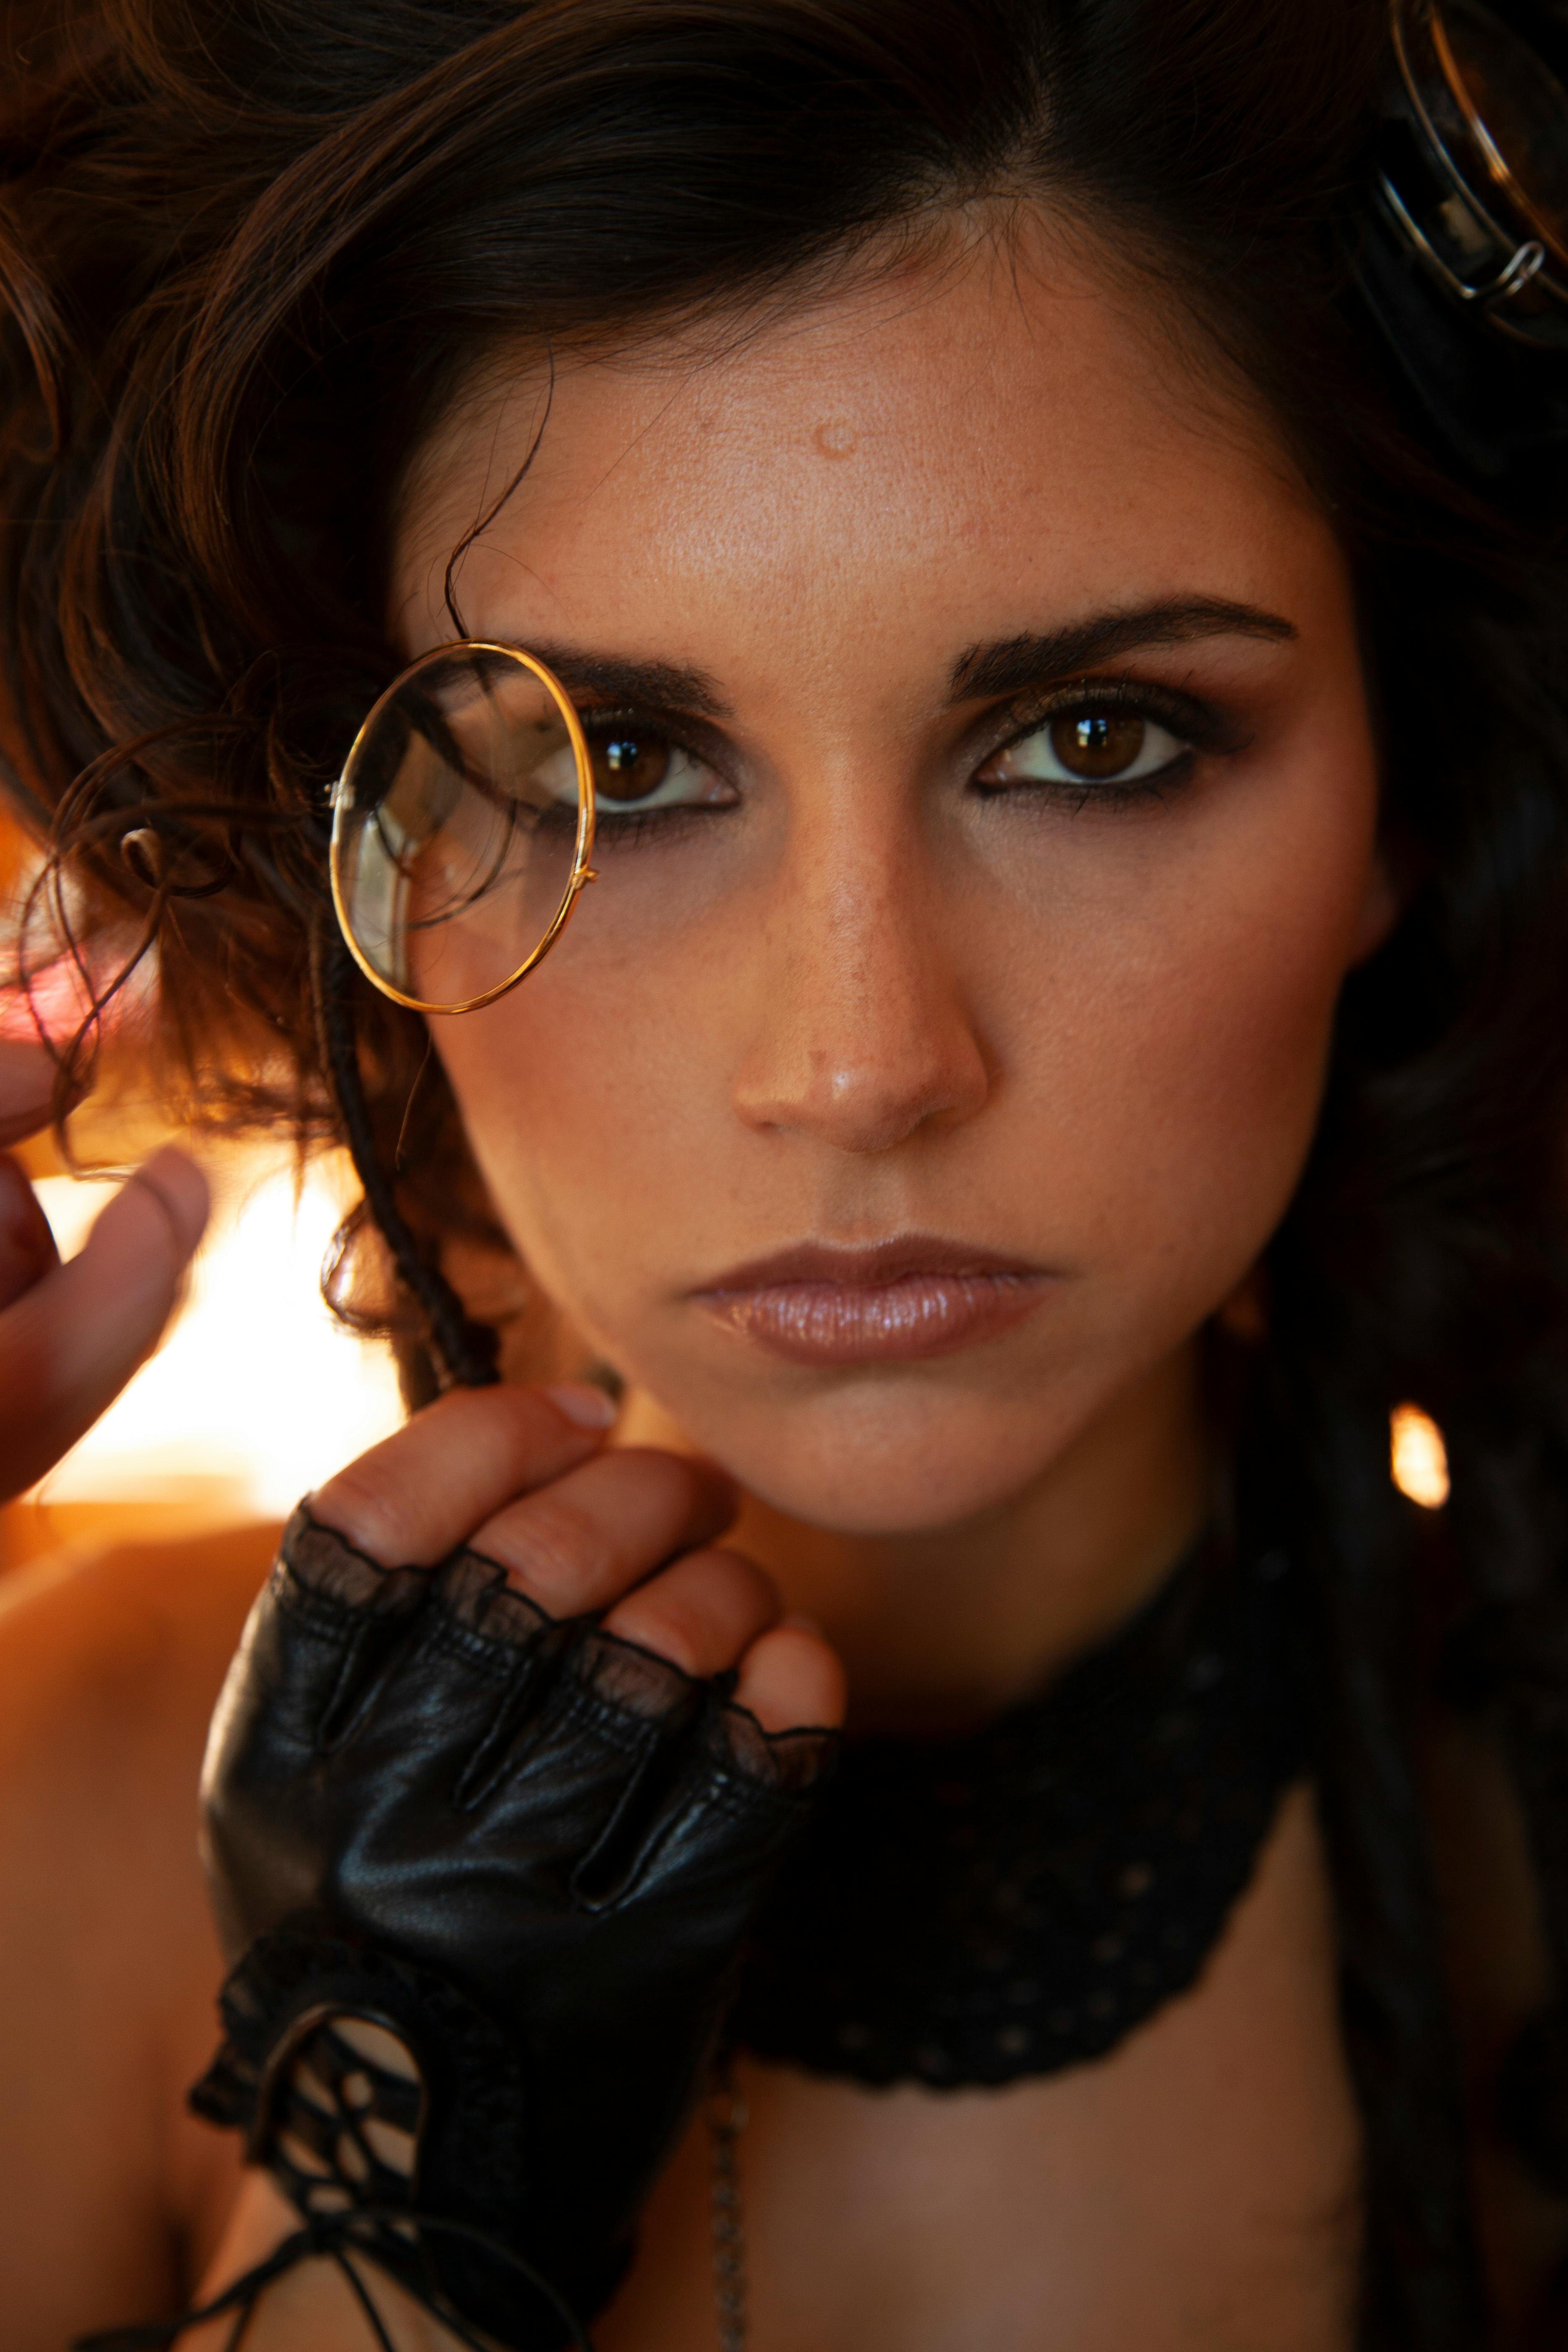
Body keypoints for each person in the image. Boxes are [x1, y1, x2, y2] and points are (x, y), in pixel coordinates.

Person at [2, 0, 1568, 2345]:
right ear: (361, 857)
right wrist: (402, 2184)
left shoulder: (1528, 1835)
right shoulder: (56, 1819)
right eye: (618, 764)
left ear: (1400, 803)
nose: (862, 1066)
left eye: (1095, 740)